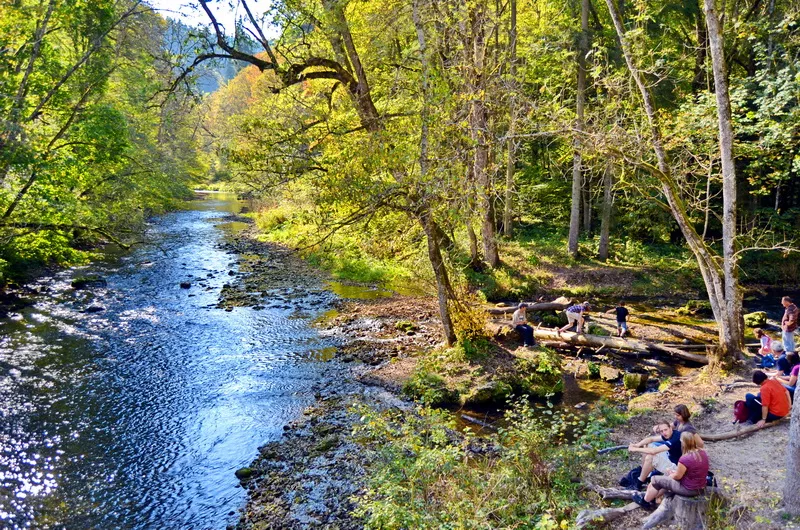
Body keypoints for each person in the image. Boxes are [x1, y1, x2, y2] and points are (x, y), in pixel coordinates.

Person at [633, 431, 710, 510]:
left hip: (688, 489)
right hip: (700, 486)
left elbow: (677, 476)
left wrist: (671, 474)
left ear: (682, 442)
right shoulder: (702, 452)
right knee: (665, 478)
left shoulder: (685, 459)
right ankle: (652, 499)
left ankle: (645, 502)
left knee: (655, 479)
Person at [628, 421, 683, 490]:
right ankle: (644, 473)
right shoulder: (670, 434)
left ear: (670, 428)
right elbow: (651, 439)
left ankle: (639, 484)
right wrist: (637, 445)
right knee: (648, 445)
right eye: (661, 431)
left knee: (650, 457)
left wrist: (635, 449)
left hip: (676, 467)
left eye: (665, 430)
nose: (664, 433)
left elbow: (653, 451)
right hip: (670, 458)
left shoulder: (675, 439)